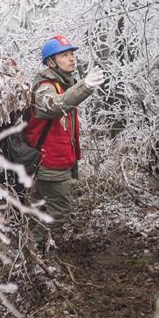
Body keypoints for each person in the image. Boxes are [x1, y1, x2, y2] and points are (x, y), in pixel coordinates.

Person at [25, 35, 104, 253]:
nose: (72, 59)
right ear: (51, 62)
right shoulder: (44, 87)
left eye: (72, 54)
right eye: (65, 55)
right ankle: (34, 244)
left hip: (55, 159)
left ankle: (32, 246)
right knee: (61, 210)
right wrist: (85, 86)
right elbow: (53, 106)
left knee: (37, 206)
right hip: (48, 162)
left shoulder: (62, 83)